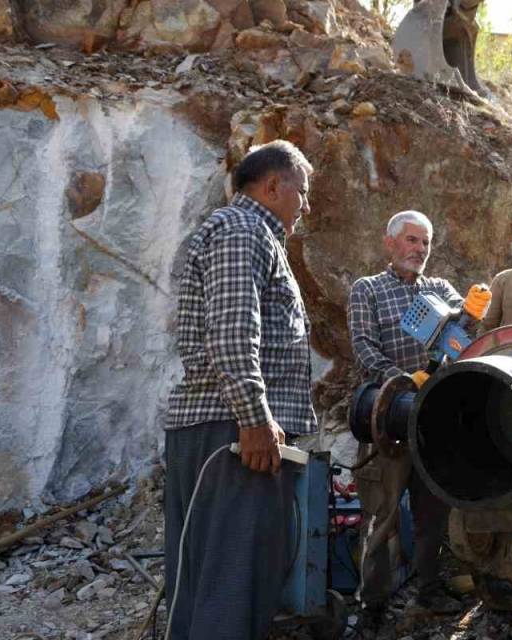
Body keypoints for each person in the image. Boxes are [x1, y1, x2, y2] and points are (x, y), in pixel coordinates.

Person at [164, 140, 315, 640]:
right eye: (302, 191)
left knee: (212, 583)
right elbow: (232, 334)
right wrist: (254, 420)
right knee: (230, 586)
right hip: (232, 437)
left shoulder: (248, 233)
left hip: (227, 431)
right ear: (274, 186)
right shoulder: (242, 230)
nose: (306, 205)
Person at [348, 210, 482, 625]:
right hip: (387, 419)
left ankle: (428, 592)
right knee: (382, 516)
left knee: (433, 512)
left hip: (434, 420)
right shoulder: (366, 290)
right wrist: (405, 382)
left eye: (425, 243)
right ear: (390, 243)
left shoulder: (440, 289)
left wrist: (475, 313)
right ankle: (372, 606)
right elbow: (364, 349)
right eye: (411, 240)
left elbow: (465, 340)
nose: (419, 250)